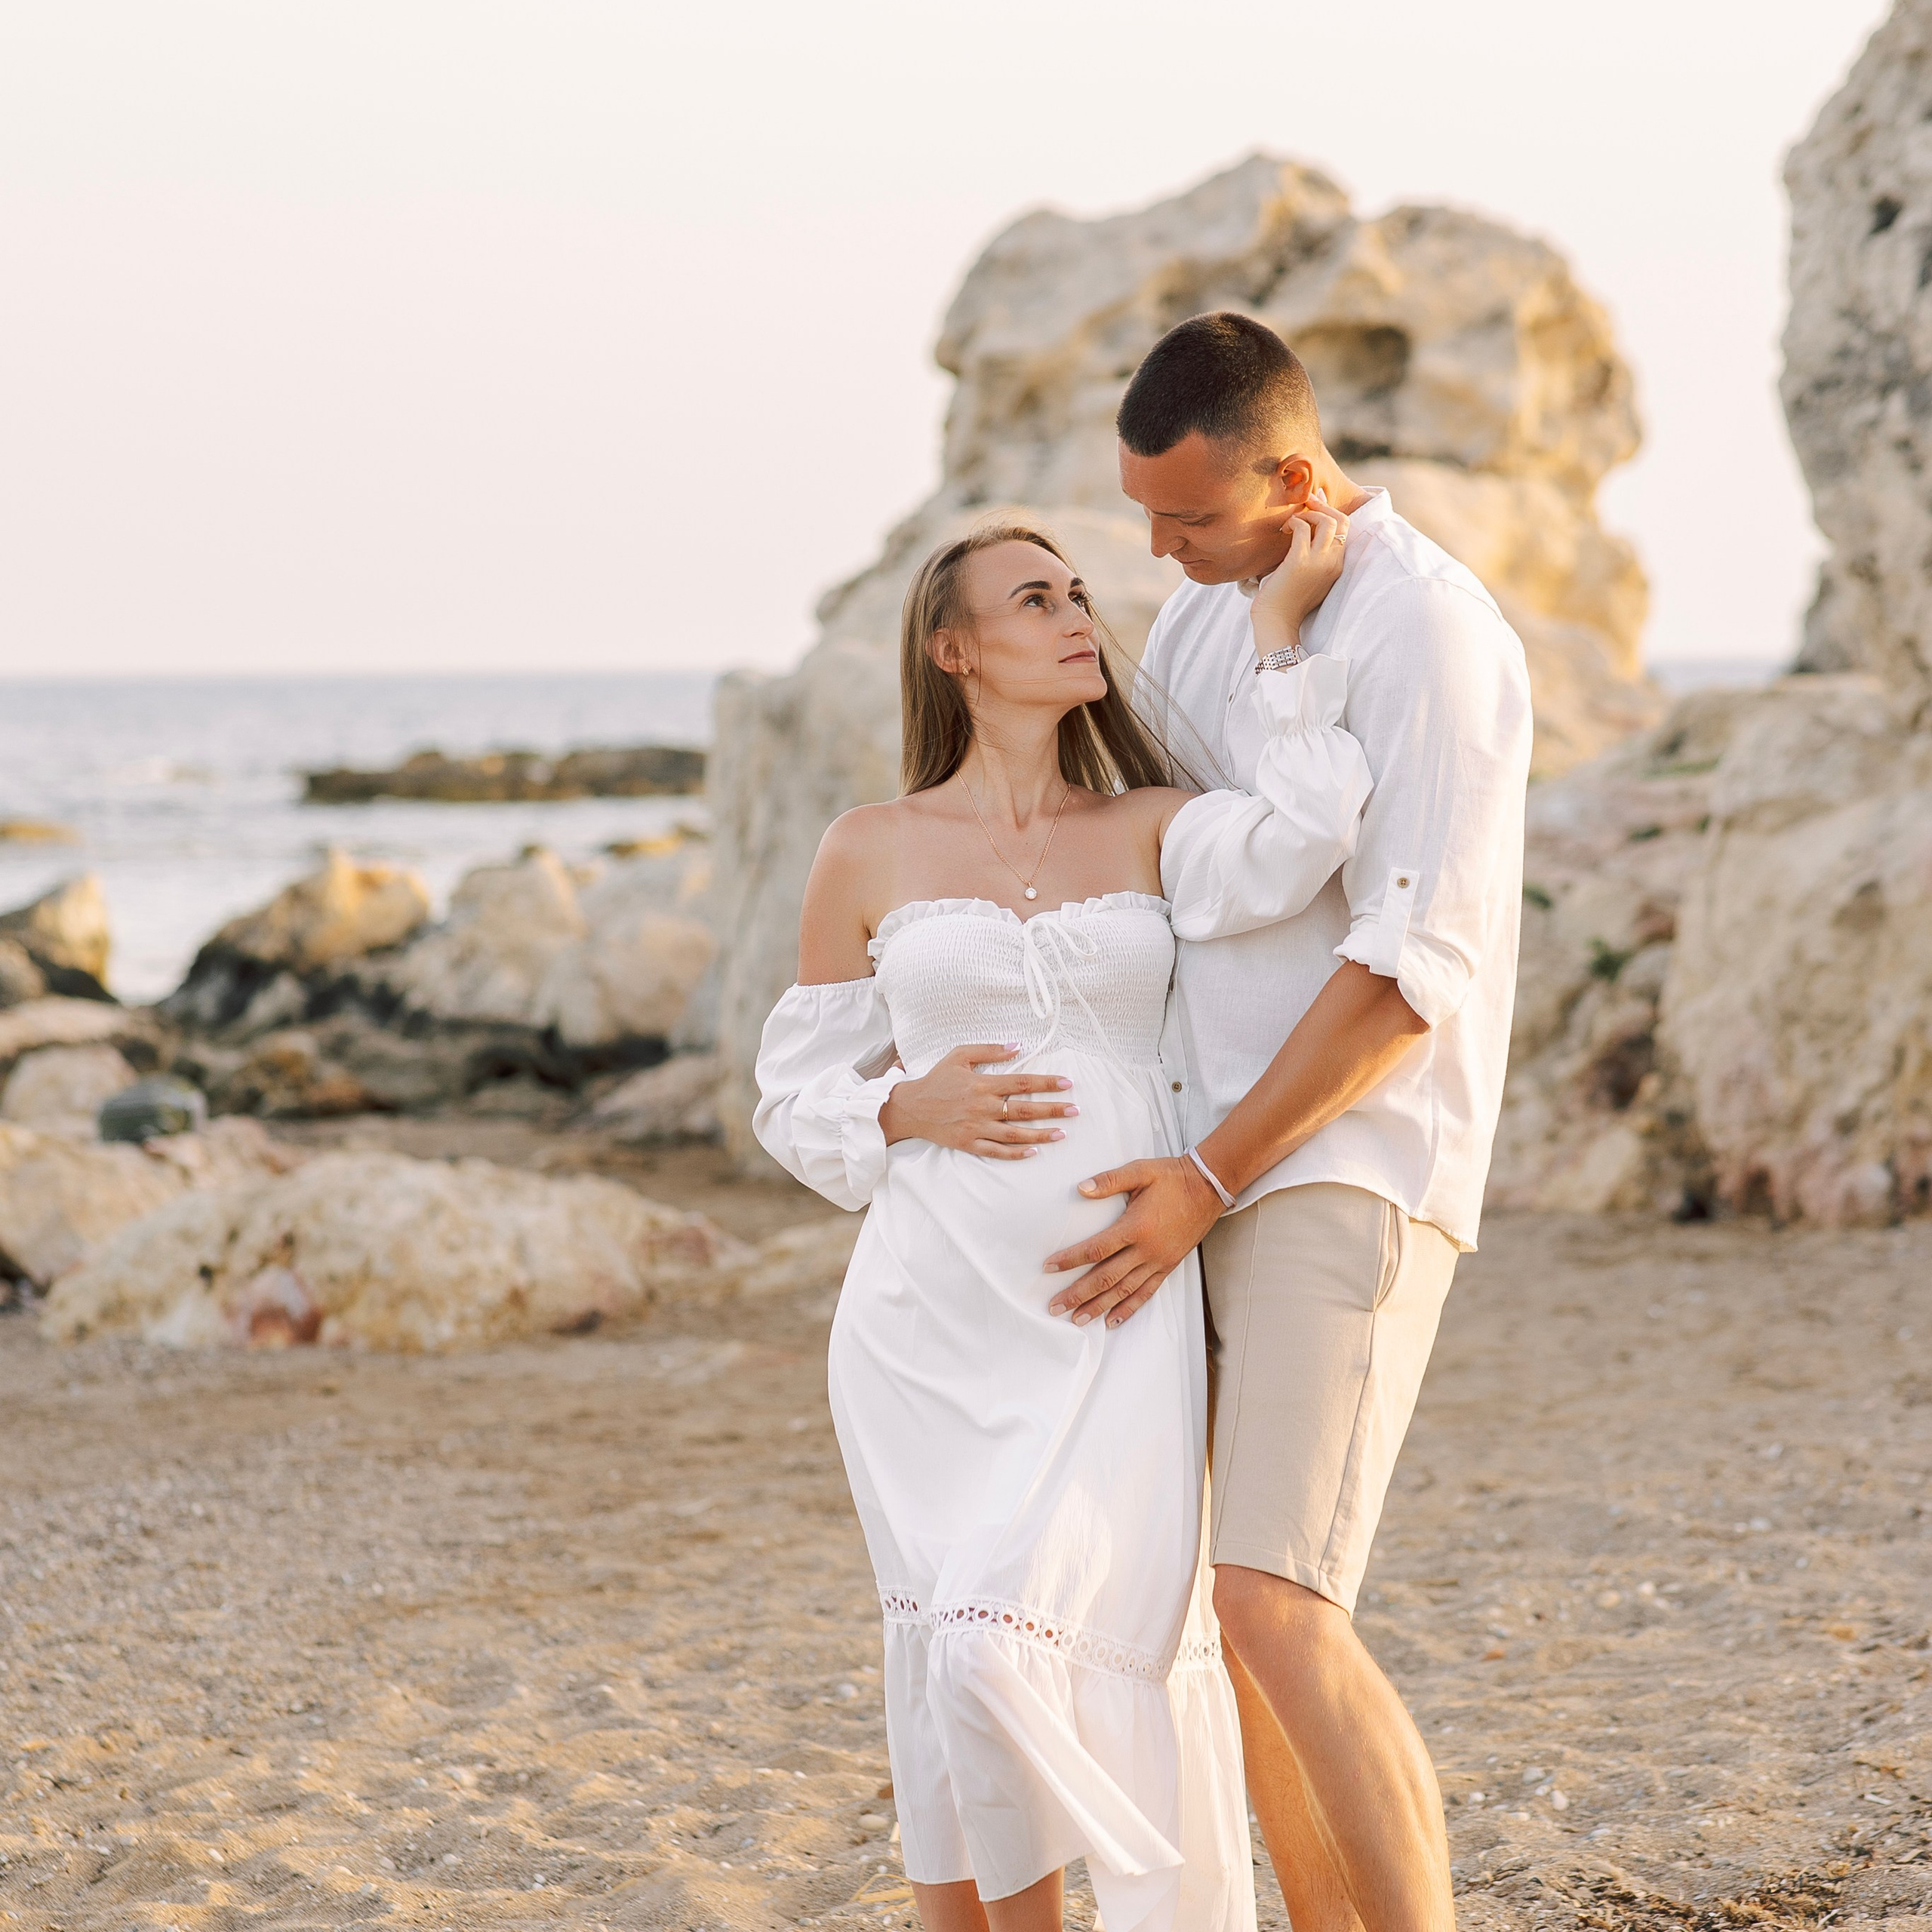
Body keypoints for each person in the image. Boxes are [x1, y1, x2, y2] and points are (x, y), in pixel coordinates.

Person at [754, 511, 1370, 1932]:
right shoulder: (869, 848)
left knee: (1040, 1641)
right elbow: (793, 1096)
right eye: (1035, 600)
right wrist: (906, 1108)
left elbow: (1308, 832)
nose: (1078, 615)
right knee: (959, 1652)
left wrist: (1281, 642)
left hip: (1114, 1301)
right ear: (954, 650)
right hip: (928, 1317)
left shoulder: (1151, 825)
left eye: (1082, 594)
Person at [1039, 312, 1534, 1932]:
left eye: (1185, 517)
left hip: (1338, 1161)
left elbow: (1408, 972)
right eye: (1141, 517)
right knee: (1217, 1621)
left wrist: (1202, 1173)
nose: (1158, 550)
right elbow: (1178, 864)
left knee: (1277, 1595)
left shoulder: (1428, 634)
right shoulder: (1207, 621)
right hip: (1204, 1155)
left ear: (1297, 476)